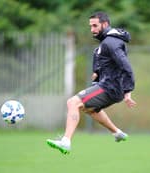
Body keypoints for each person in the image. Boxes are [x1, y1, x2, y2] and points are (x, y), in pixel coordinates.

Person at [46, 11, 136, 154]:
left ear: (105, 24)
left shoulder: (110, 42)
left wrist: (128, 91)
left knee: (73, 103)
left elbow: (126, 66)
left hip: (110, 87)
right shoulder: (107, 42)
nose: (92, 30)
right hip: (110, 86)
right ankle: (117, 133)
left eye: (95, 26)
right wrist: (99, 73)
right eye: (90, 26)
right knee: (90, 109)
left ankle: (66, 141)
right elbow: (111, 65)